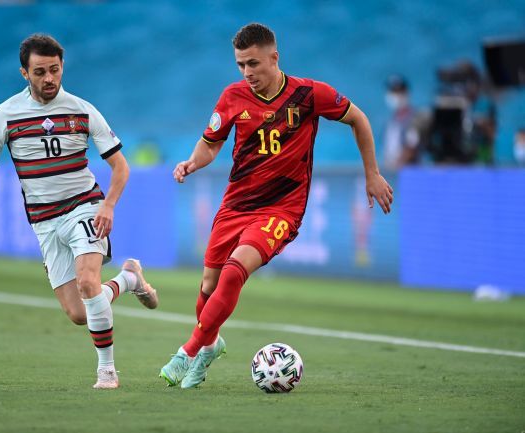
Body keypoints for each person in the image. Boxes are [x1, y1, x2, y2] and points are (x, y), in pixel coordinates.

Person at [159, 23, 393, 389]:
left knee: (235, 271)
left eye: (253, 63)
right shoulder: (233, 96)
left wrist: (372, 173)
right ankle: (210, 346)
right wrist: (192, 162)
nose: (247, 72)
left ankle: (186, 353)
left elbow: (358, 119)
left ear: (274, 58)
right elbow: (211, 143)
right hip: (236, 203)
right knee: (208, 285)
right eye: (241, 65)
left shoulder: (309, 94)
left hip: (282, 208)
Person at [0, 34, 158, 390]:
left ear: (62, 67)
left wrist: (108, 204)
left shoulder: (82, 110)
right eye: (40, 72)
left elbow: (121, 166)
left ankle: (107, 372)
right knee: (79, 313)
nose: (49, 78)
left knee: (88, 282)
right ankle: (129, 279)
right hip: (44, 220)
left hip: (84, 206)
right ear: (24, 73)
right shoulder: (6, 114)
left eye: (54, 69)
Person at [382, 75, 421, 170]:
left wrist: (396, 167)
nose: (396, 95)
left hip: (407, 172)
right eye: (393, 91)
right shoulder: (391, 121)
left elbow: (411, 147)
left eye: (399, 91)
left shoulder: (413, 118)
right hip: (391, 172)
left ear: (406, 92)